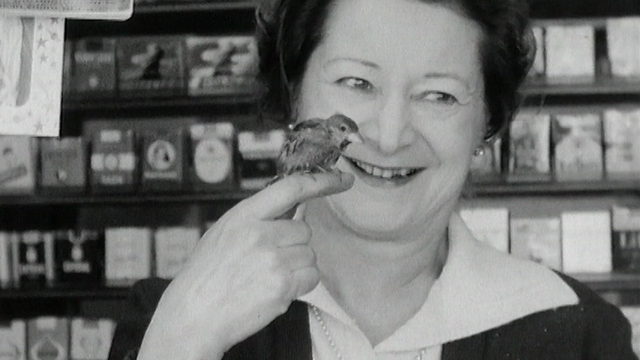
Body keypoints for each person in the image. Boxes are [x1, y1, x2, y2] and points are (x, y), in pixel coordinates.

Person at [108, 0, 637, 359]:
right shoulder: (174, 317)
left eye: (440, 95)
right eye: (357, 81)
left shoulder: (583, 335)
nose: (387, 136)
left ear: (488, 124)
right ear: (296, 94)